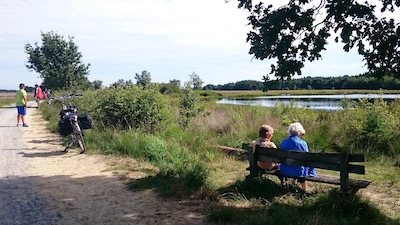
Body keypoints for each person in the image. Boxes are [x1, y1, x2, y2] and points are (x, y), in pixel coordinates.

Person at [279, 122, 316, 191]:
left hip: (284, 170)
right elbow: (307, 158)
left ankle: (288, 184)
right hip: (299, 173)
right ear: (299, 133)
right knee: (303, 164)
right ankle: (304, 188)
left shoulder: (283, 142)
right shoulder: (303, 144)